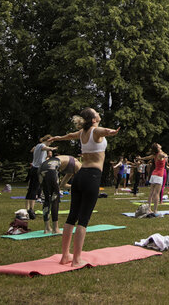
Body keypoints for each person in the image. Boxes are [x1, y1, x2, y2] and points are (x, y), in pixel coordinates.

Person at [47, 107, 119, 267]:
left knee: (72, 217)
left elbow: (69, 136)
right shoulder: (95, 131)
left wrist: (58, 138)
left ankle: (65, 256)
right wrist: (111, 131)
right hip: (91, 177)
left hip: (79, 176)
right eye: (96, 113)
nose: (99, 114)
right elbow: (103, 131)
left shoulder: (82, 133)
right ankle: (77, 259)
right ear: (93, 119)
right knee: (83, 220)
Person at [38, 151, 81, 234]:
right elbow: (80, 183)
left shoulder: (70, 167)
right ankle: (55, 229)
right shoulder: (79, 166)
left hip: (42, 167)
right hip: (51, 168)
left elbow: (62, 185)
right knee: (55, 199)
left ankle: (47, 228)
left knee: (47, 198)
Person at [26, 136, 56, 219]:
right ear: (47, 140)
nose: (50, 143)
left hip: (33, 168)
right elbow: (44, 147)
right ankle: (31, 210)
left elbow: (32, 150)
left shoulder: (37, 146)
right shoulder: (41, 145)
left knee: (31, 189)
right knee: (34, 189)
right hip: (37, 169)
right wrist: (52, 148)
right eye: (50, 141)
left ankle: (28, 208)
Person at [144, 143, 167, 214]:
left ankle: (148, 209)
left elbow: (147, 158)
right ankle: (155, 210)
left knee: (151, 193)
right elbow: (165, 156)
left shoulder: (155, 155)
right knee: (156, 193)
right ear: (157, 148)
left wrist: (140, 158)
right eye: (158, 145)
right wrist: (165, 155)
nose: (159, 144)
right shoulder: (160, 154)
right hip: (159, 175)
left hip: (154, 174)